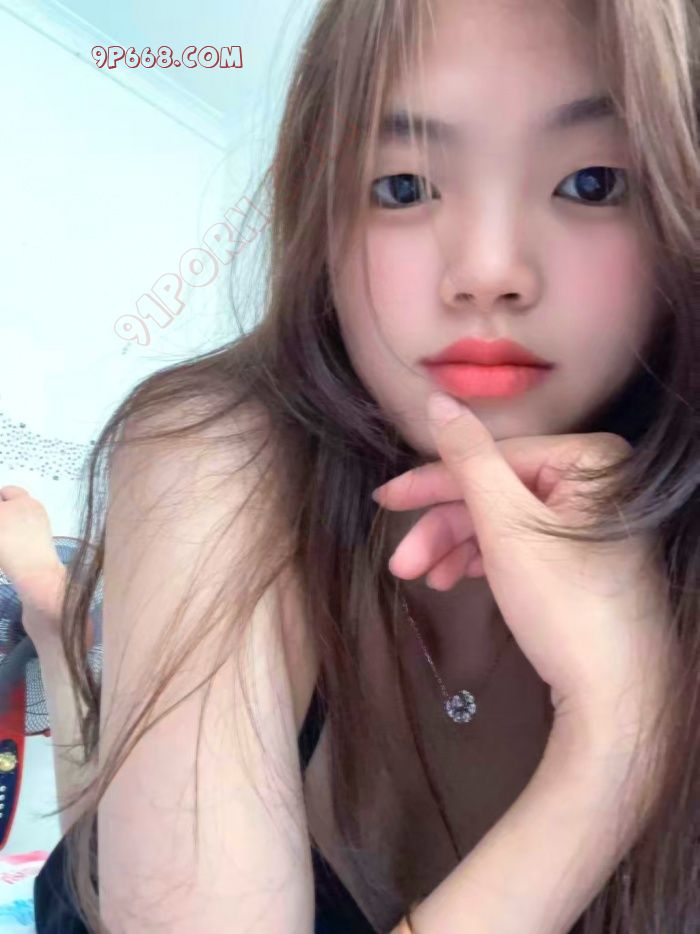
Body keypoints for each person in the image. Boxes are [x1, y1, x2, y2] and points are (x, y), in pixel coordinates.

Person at [5, 0, 698, 930]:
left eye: (593, 182)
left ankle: (61, 627)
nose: (487, 271)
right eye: (403, 187)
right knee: (92, 866)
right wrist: (614, 746)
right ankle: (59, 620)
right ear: (323, 224)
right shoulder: (218, 449)